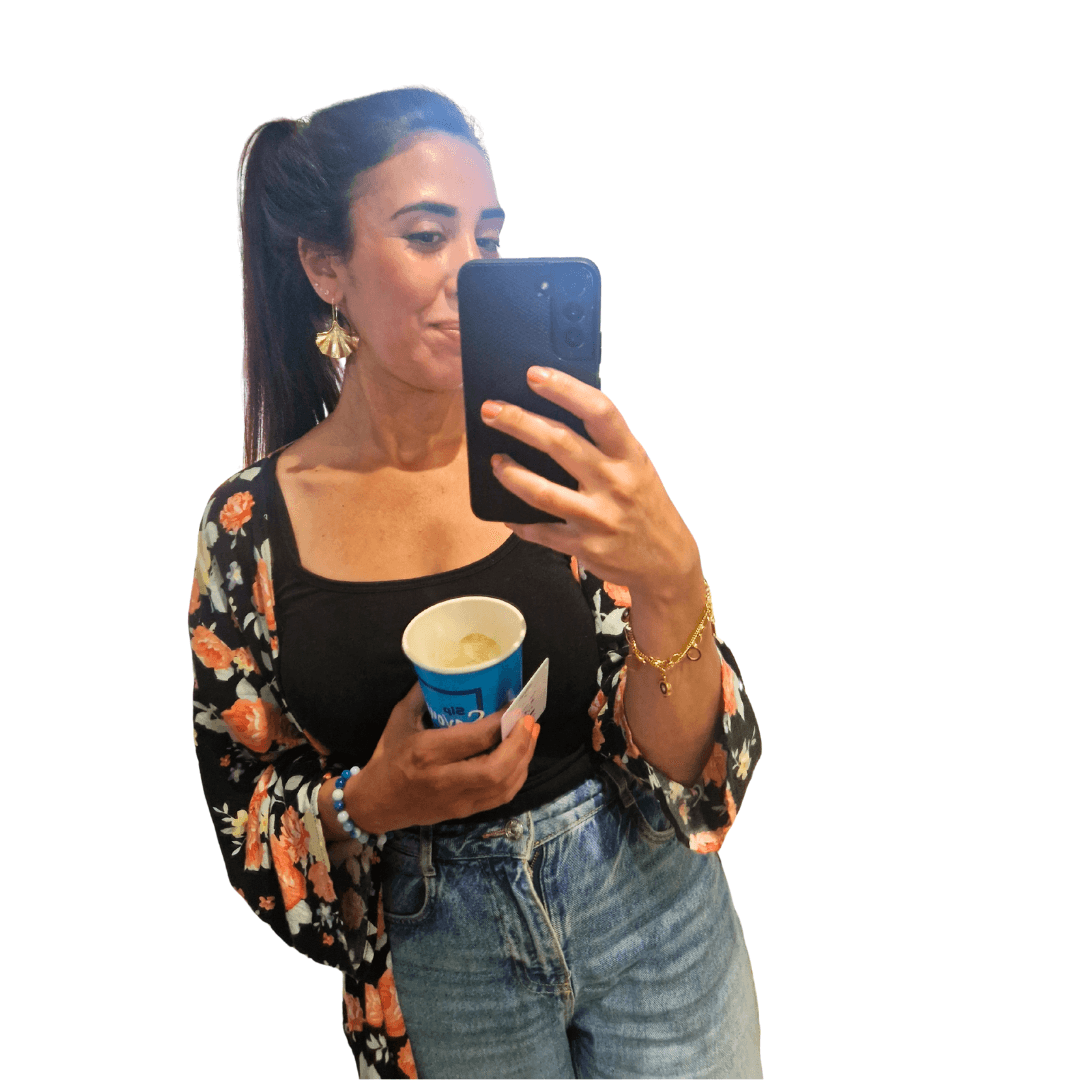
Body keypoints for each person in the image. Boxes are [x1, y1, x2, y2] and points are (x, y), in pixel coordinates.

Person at [189, 87, 763, 1079]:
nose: (472, 270)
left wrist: (675, 579)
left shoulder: (555, 461)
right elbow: (246, 803)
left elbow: (688, 778)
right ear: (325, 266)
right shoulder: (249, 532)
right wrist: (371, 799)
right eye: (427, 235)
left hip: (651, 917)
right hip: (437, 957)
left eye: (487, 239)